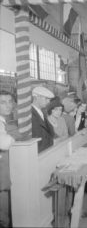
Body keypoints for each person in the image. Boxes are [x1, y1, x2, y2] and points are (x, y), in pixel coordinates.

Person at [0, 91, 16, 227]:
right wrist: (15, 134)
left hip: (5, 176)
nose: (8, 105)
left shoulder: (4, 121)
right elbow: (4, 143)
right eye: (3, 102)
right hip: (1, 179)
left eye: (10, 101)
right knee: (3, 218)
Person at [31, 86, 55, 153]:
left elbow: (49, 132)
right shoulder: (30, 114)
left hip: (46, 150)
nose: (48, 102)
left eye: (49, 99)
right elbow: (36, 136)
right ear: (36, 97)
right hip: (39, 152)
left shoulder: (41, 112)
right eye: (46, 99)